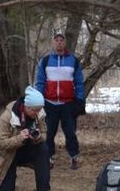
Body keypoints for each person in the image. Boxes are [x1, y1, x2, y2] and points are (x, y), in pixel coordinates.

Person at [0, 86, 52, 191]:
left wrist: (38, 137)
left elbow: (44, 133)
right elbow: (0, 143)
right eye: (35, 110)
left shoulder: (39, 113)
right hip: (7, 154)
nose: (37, 113)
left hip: (26, 148)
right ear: (26, 106)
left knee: (43, 149)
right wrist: (19, 138)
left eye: (39, 110)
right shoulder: (8, 116)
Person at [35, 32, 85, 170]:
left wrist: (80, 101)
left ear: (65, 43)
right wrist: (39, 100)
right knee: (49, 132)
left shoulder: (74, 61)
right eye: (56, 40)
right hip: (49, 103)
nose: (59, 43)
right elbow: (40, 82)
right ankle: (48, 158)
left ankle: (74, 157)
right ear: (53, 43)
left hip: (68, 103)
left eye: (61, 40)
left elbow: (79, 82)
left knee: (70, 132)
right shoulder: (45, 61)